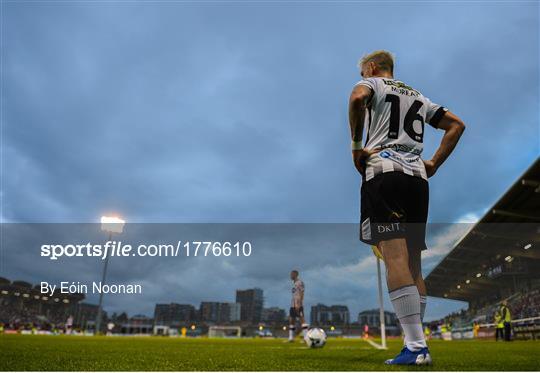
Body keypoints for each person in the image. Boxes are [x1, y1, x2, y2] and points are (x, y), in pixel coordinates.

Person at [348, 50, 465, 365]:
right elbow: (457, 125)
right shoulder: (417, 95)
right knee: (414, 265)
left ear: (373, 68)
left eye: (364, 72)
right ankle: (416, 342)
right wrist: (435, 164)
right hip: (417, 180)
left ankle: (415, 347)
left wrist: (356, 147)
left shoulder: (373, 85)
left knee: (394, 258)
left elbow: (358, 97)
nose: (363, 78)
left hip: (385, 174)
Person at [287, 270, 308, 342]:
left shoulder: (300, 283)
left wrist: (299, 303)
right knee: (291, 320)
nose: (290, 276)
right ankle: (291, 338)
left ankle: (306, 337)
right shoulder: (294, 283)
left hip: (298, 304)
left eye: (291, 274)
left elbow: (302, 293)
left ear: (295, 274)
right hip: (292, 304)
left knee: (302, 319)